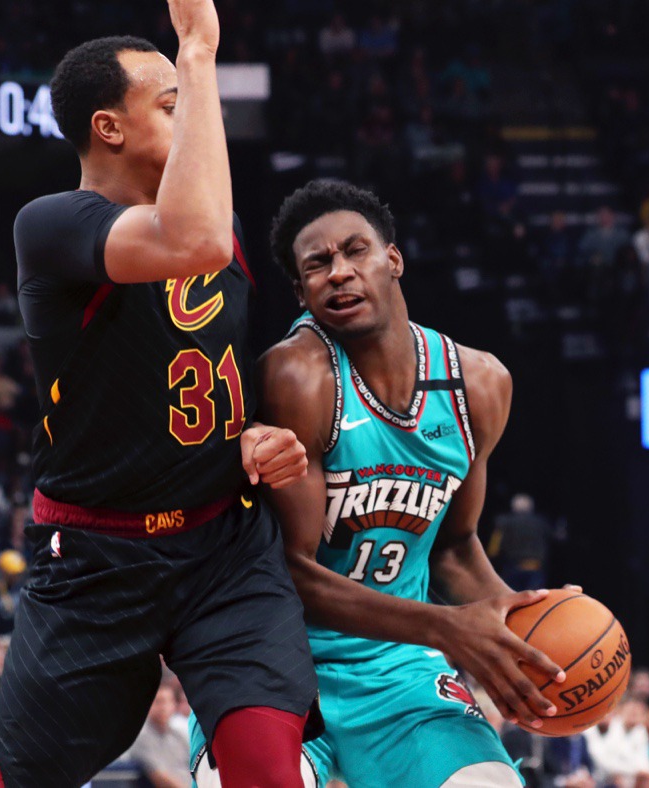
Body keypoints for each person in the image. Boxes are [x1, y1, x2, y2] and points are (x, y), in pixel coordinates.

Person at [0, 3, 319, 786]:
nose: (193, 110)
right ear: (109, 128)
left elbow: (221, 362)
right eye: (170, 103)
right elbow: (191, 240)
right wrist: (198, 49)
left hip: (223, 546)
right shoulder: (53, 225)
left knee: (270, 771)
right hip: (99, 558)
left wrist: (259, 431)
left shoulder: (220, 219)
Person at [192, 180, 571, 788]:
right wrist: (450, 627)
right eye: (318, 265)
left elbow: (452, 546)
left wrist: (524, 637)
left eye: (355, 251)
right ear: (301, 291)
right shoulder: (299, 376)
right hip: (275, 658)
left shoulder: (480, 384)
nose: (339, 273)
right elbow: (291, 571)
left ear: (393, 259)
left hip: (398, 669)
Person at [131, 682, 192, 788]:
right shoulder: (141, 737)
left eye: (168, 701)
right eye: (158, 702)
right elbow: (159, 777)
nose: (163, 707)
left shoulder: (178, 734)